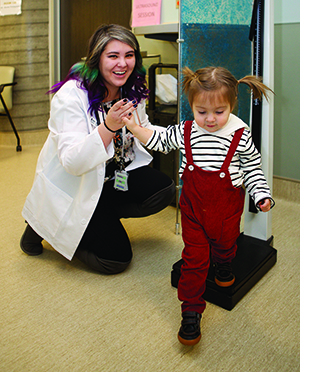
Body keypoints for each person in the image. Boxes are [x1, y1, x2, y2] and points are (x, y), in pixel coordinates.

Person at [122, 66, 275, 345]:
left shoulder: (240, 133)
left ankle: (225, 263)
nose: (210, 119)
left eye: (219, 111)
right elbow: (160, 139)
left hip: (226, 209)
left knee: (226, 243)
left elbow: (253, 168)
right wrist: (134, 127)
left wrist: (261, 194)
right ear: (191, 106)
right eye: (201, 111)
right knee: (195, 260)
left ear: (231, 105)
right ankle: (191, 310)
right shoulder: (187, 131)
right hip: (193, 208)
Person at [20, 24, 175, 274]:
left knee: (163, 189)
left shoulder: (132, 89)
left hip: (111, 177)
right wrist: (109, 126)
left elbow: (144, 129)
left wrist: (184, 138)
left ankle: (100, 215)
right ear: (96, 59)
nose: (122, 64)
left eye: (129, 55)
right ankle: (44, 226)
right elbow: (72, 161)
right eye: (113, 56)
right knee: (114, 261)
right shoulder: (71, 96)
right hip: (77, 183)